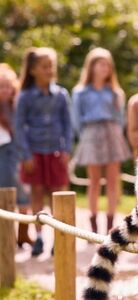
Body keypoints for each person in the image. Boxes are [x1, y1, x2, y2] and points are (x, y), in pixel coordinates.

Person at [15, 47, 72, 256]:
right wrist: (26, 154)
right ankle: (39, 236)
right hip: (34, 152)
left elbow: (67, 123)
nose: (49, 70)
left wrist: (67, 149)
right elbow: (19, 126)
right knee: (37, 193)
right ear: (33, 70)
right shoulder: (26, 97)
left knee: (57, 194)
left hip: (56, 151)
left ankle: (59, 236)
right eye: (44, 67)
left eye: (51, 66)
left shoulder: (61, 95)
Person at [72, 47, 130, 234]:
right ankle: (93, 226)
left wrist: (115, 134)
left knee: (113, 182)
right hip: (91, 133)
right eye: (102, 64)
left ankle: (110, 226)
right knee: (94, 181)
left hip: (112, 133)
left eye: (108, 65)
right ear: (92, 66)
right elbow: (76, 119)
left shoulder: (115, 92)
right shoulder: (80, 92)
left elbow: (121, 119)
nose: (106, 68)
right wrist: (87, 137)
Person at [0, 63, 32, 248]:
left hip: (17, 153)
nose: (5, 91)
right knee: (5, 195)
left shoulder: (18, 107)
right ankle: (7, 235)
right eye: (1, 87)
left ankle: (23, 233)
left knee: (23, 194)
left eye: (7, 87)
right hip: (3, 154)